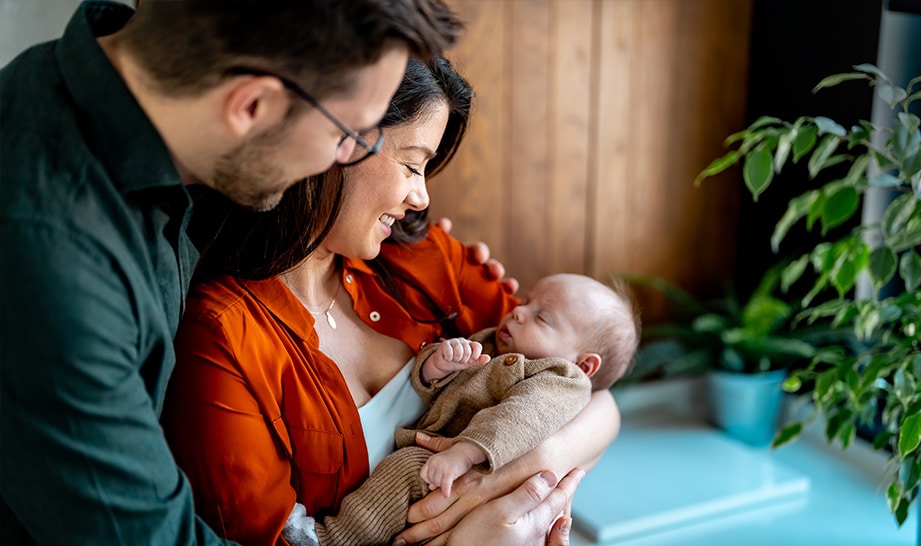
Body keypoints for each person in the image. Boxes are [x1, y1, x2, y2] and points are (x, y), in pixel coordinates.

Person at [0, 1, 463, 544]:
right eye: (352, 136)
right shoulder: (57, 263)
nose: (339, 161)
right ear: (251, 106)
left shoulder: (155, 111)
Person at [164, 57, 621, 546]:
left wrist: (517, 471)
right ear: (335, 141)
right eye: (411, 164)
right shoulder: (222, 338)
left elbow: (594, 392)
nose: (421, 197)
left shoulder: (420, 256)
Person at [299, 273, 639, 546]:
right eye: (525, 301)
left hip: (475, 463)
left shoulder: (560, 378)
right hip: (451, 463)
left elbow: (520, 418)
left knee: (403, 473)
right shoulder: (494, 342)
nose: (518, 311)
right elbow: (433, 393)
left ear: (585, 364)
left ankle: (329, 539)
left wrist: (463, 453)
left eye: (543, 317)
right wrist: (436, 367)